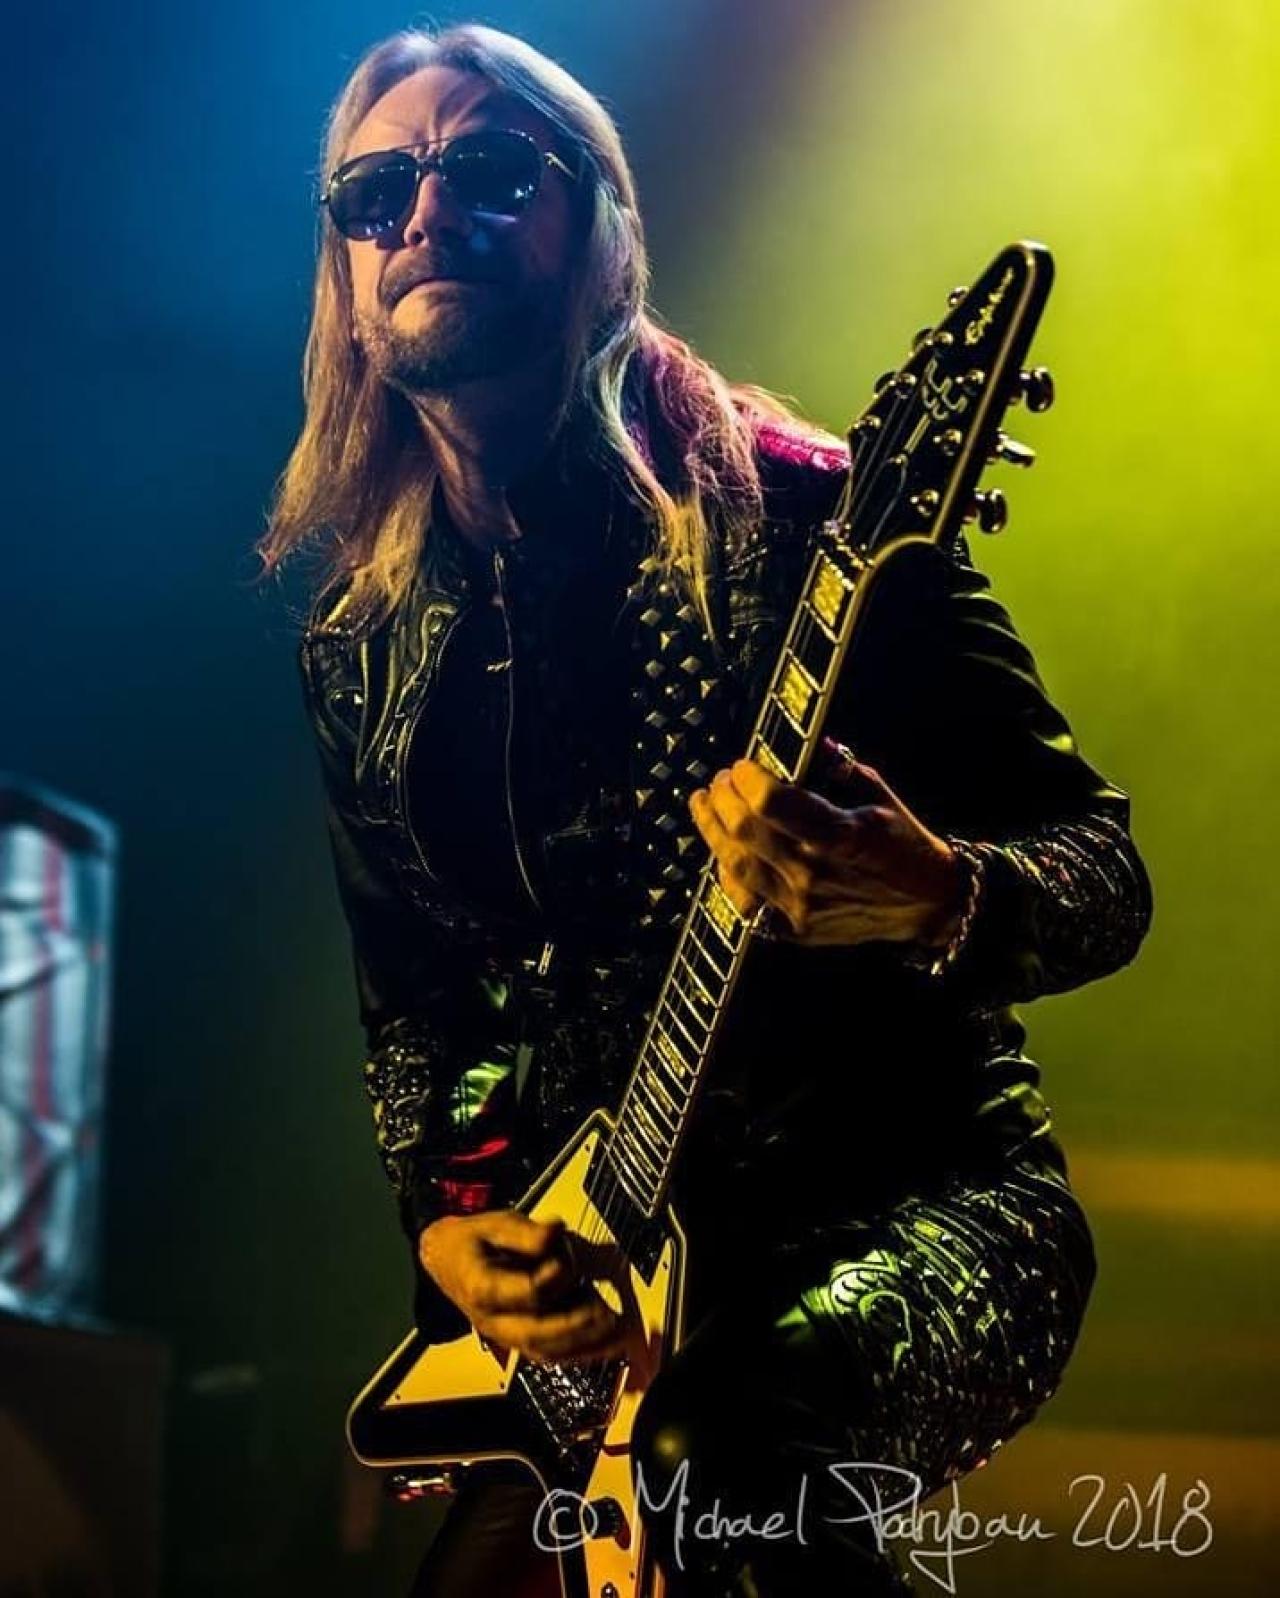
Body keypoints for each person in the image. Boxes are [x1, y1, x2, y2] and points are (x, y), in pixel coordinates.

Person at [260, 22, 1154, 1597]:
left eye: (487, 168)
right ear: (343, 266)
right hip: (614, 1277)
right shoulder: (364, 645)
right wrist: (456, 1237)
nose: (424, 212)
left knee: (718, 1456)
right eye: (375, 190)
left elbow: (1106, 869)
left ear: (603, 225)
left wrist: (940, 893)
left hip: (925, 1201)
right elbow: (420, 1018)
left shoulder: (819, 518)